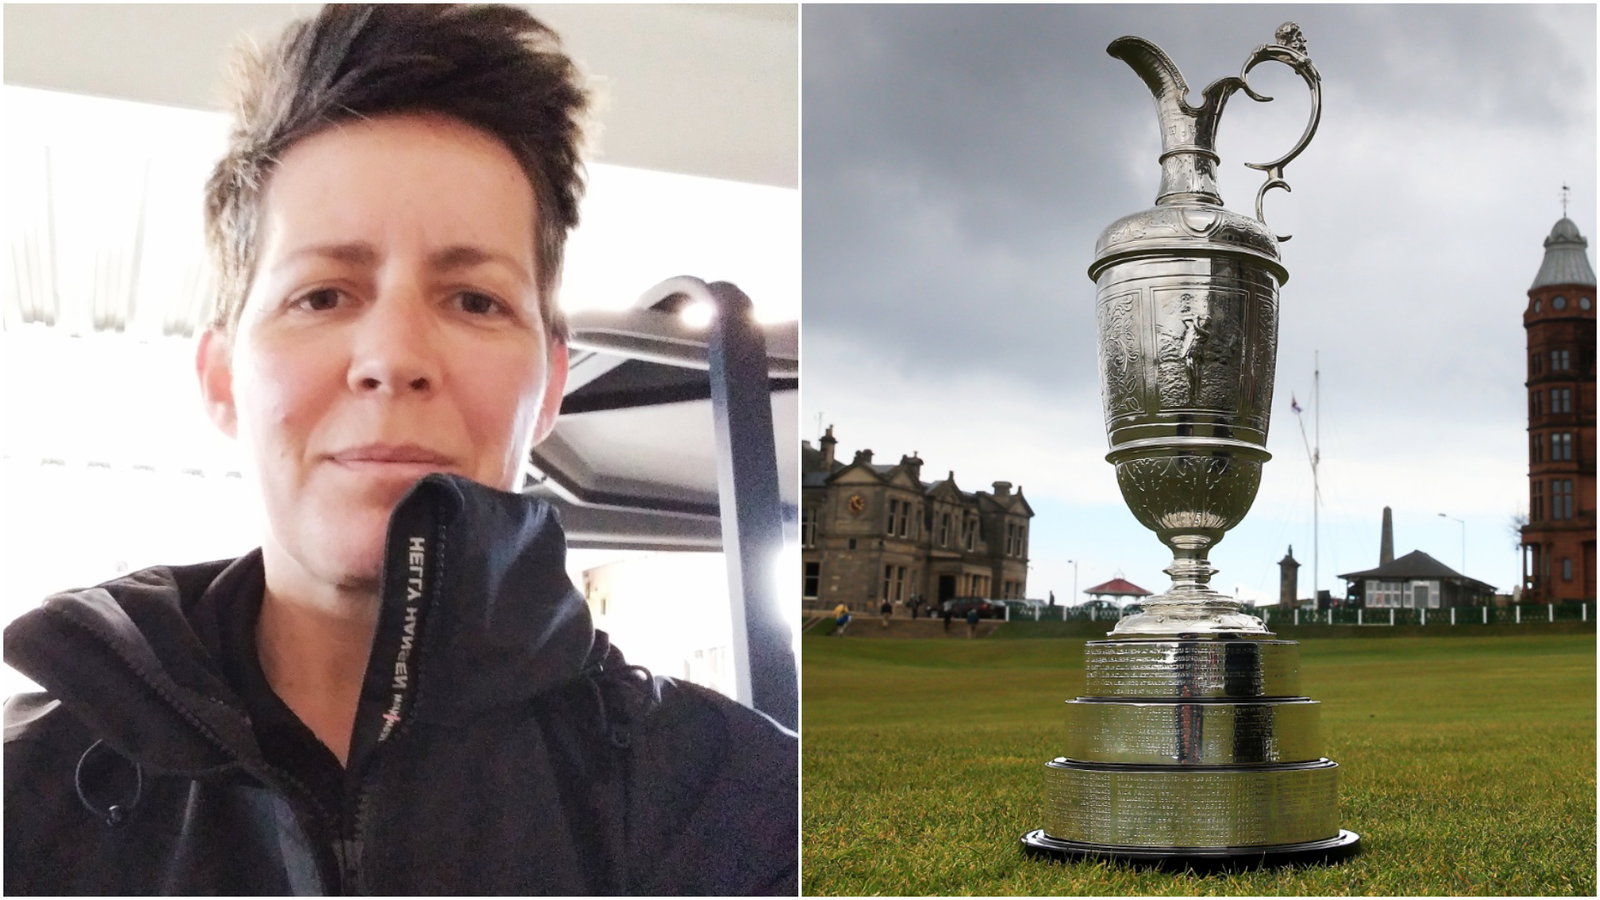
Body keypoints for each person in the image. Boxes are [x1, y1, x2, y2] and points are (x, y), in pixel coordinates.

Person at [3, 6, 795, 895]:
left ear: (550, 385)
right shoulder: (19, 798)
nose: (394, 359)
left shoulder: (751, 808)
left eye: (474, 301)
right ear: (223, 379)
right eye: (323, 295)